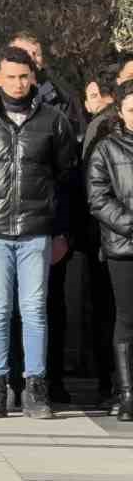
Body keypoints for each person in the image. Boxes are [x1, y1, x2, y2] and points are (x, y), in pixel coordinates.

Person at [0, 46, 77, 419]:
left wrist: (62, 232)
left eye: (23, 76)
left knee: (34, 310)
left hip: (37, 229)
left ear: (34, 77)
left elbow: (66, 178)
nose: (17, 83)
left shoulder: (54, 121)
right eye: (9, 76)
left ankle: (35, 389)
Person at [87, 81, 133, 421]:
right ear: (120, 112)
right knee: (127, 320)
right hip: (124, 247)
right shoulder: (107, 149)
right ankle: (127, 392)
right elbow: (98, 199)